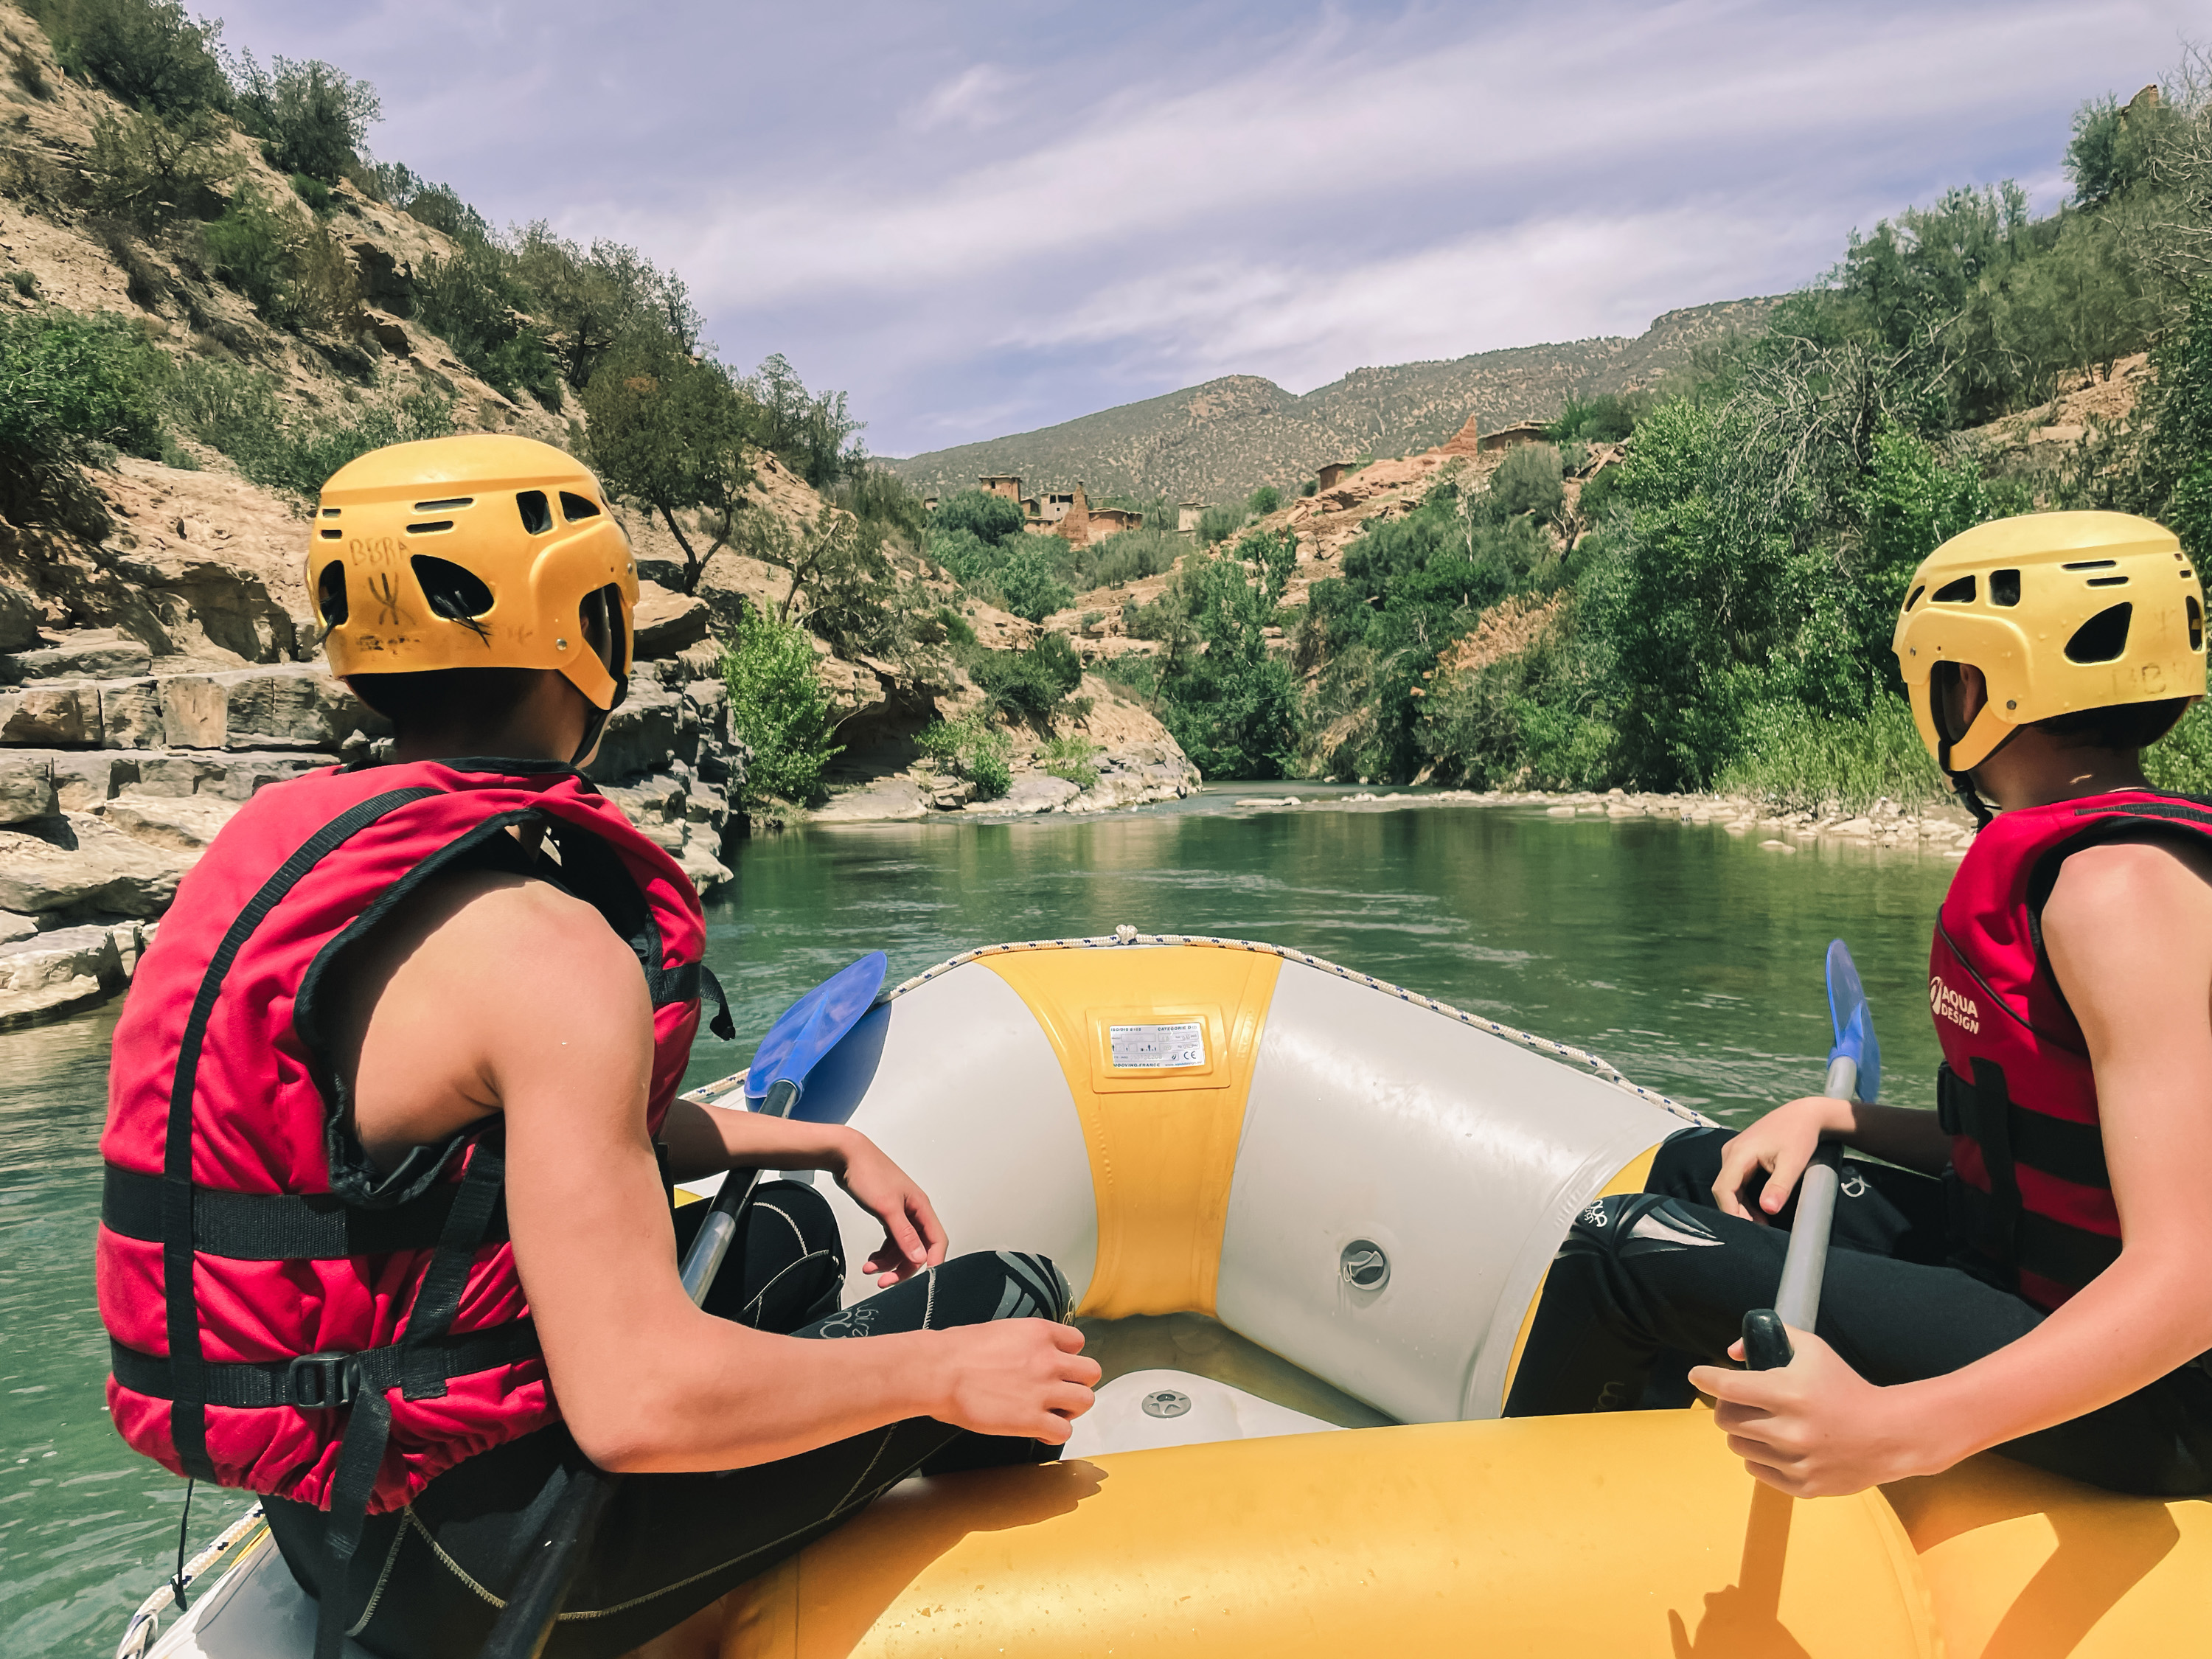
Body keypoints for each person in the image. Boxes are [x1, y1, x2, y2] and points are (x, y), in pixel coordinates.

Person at [96, 435, 1099, 1659]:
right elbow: (634, 1402)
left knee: (782, 1231)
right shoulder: (546, 941)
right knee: (1012, 1307)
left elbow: (501, 1138)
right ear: (591, 625)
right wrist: (939, 1374)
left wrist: (830, 1140)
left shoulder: (304, 857)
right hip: (483, 1573)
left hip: (337, 1508)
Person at [1505, 509, 2212, 1500]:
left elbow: (2190, 1281)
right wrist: (1837, 1114)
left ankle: (1511, 1538)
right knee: (1699, 1168)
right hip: (2015, 1269)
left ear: (1974, 682)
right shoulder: (2098, 864)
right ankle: (1661, 1482)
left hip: (2153, 1397)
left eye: (1935, 676)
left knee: (1629, 1250)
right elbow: (2035, 1147)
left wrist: (1898, 1431)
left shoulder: (2121, 894)